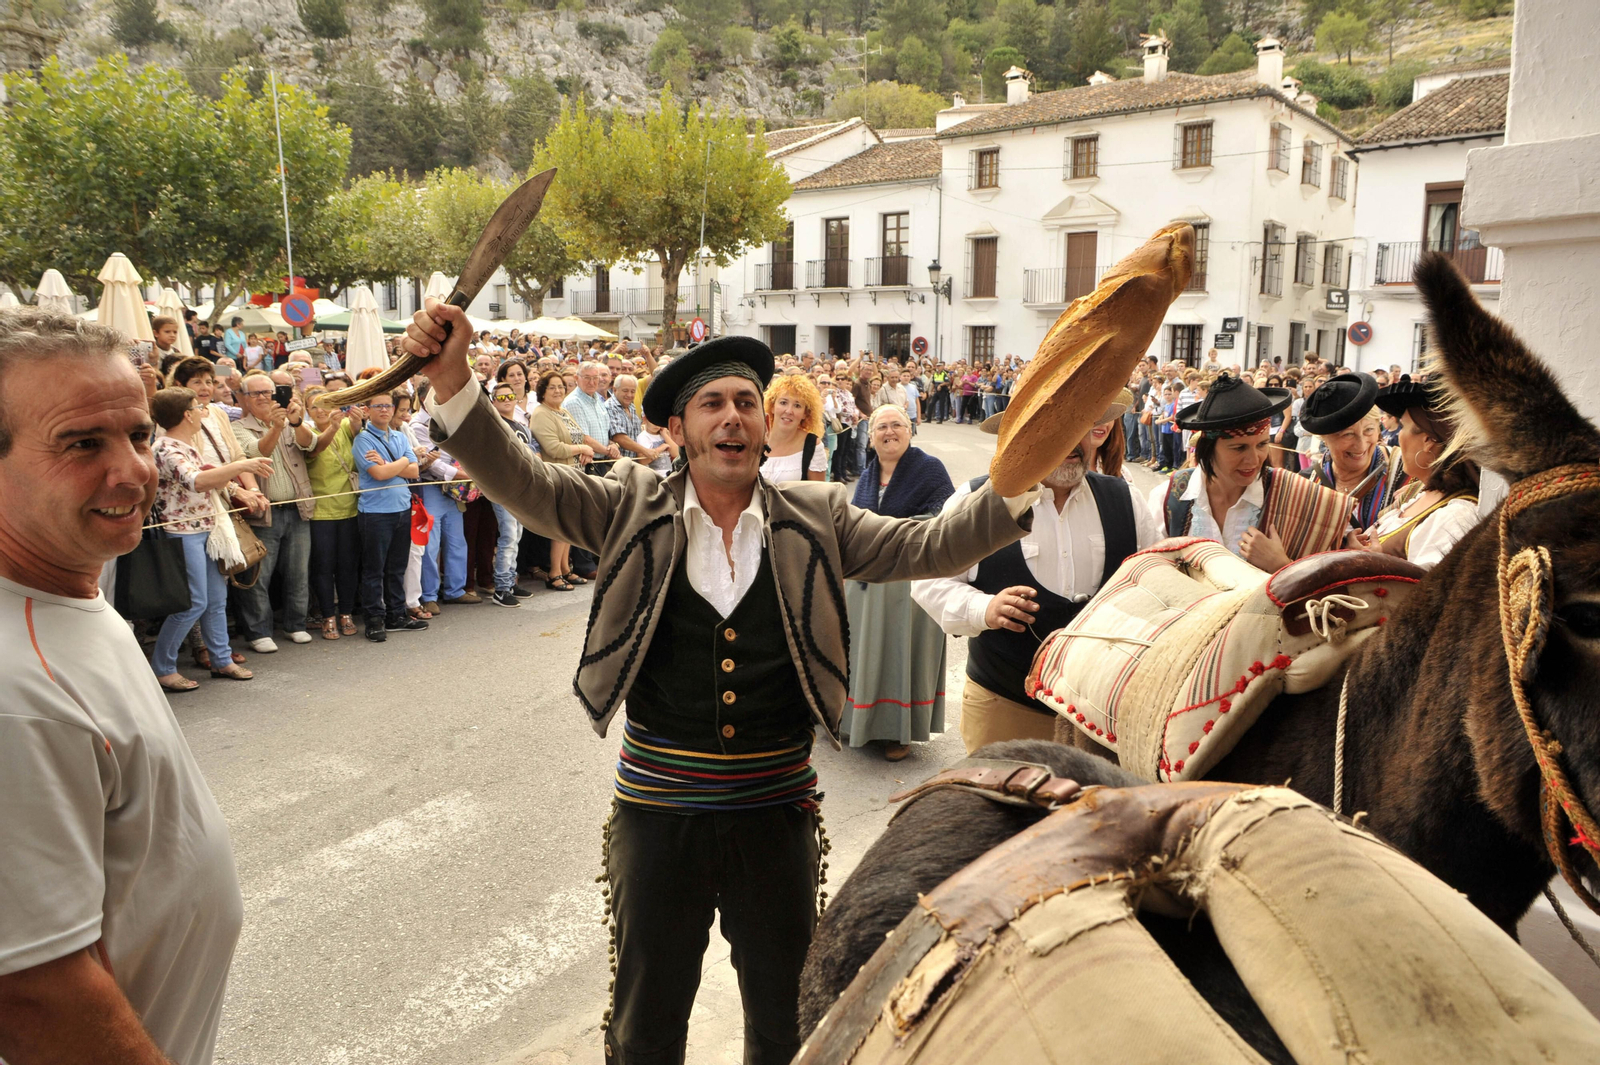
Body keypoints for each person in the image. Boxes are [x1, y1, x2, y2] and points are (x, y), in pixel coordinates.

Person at [403, 306, 1036, 1064]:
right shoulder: (628, 503)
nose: (733, 417)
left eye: (747, 403)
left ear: (766, 430)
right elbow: (525, 480)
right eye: (713, 403)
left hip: (778, 814)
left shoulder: (819, 514)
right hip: (659, 812)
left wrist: (1027, 473)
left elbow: (933, 541)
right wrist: (452, 381)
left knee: (787, 1019)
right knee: (646, 1023)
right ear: (678, 431)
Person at [0, 309, 242, 1065]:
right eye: (82, 443)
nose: (134, 470)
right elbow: (34, 992)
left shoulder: (71, 584)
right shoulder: (13, 691)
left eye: (138, 434)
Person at [914, 392, 1161, 752]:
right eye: (1053, 431)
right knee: (1006, 809)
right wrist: (984, 609)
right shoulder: (978, 499)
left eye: (1079, 427)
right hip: (1004, 706)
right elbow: (928, 579)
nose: (1071, 442)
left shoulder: (1126, 499)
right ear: (1026, 440)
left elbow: (1154, 582)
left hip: (1101, 712)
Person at [841, 405, 954, 760]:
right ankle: (858, 721)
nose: (889, 432)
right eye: (881, 428)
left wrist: (892, 535)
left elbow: (945, 518)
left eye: (897, 425)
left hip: (910, 581)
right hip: (868, 583)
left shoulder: (929, 469)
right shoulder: (868, 474)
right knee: (864, 653)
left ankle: (899, 732)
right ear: (871, 438)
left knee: (899, 654)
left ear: (910, 430)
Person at [1151, 374, 1348, 572]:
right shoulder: (1169, 499)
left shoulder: (1299, 496)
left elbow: (1328, 589)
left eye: (1262, 444)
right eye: (1239, 448)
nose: (1254, 460)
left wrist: (1281, 565)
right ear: (1208, 448)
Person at [149, 385, 267, 689]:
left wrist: (237, 481)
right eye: (199, 408)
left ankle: (221, 659)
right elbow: (196, 481)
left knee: (216, 599)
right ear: (188, 415)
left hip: (206, 529)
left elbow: (208, 480)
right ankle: (162, 667)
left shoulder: (185, 445)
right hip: (181, 532)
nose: (205, 411)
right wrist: (239, 466)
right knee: (193, 602)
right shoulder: (166, 447)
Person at [1354, 376, 1481, 568]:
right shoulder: (1422, 495)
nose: (1398, 435)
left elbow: (1430, 590)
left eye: (1403, 426)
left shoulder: (1456, 515)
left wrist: (1380, 564)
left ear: (1428, 440)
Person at [232, 369, 318, 650]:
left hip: (297, 508)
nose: (263, 397)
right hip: (263, 513)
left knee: (298, 572)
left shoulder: (290, 421)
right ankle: (259, 632)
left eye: (268, 392)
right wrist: (277, 428)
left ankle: (296, 624)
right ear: (242, 398)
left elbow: (311, 445)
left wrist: (296, 422)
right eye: (255, 393)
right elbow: (256, 452)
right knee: (259, 576)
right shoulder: (238, 426)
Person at [351, 390, 426, 641]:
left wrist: (390, 464)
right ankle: (374, 619)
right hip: (375, 513)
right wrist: (402, 462)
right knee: (374, 569)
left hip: (402, 509)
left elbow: (415, 470)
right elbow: (378, 474)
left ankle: (396, 614)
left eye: (387, 405)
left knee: (396, 567)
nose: (384, 409)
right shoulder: (362, 440)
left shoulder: (399, 435)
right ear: (368, 410)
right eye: (378, 406)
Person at [1297, 373, 1406, 531]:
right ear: (1325, 439)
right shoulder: (1308, 484)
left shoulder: (1404, 472)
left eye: (1369, 430)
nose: (1361, 444)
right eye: (1348, 434)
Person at [303, 385, 364, 639]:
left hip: (349, 507)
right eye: (315, 405)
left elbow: (358, 440)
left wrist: (358, 421)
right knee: (323, 566)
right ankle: (328, 615)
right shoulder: (305, 431)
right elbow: (314, 449)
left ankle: (346, 613)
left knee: (348, 565)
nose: (321, 410)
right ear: (307, 410)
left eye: (326, 404)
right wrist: (333, 427)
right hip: (320, 512)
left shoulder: (344, 428)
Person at [528, 369, 595, 591]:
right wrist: (581, 448)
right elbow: (553, 448)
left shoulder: (564, 411)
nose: (557, 390)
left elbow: (579, 436)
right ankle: (554, 573)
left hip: (575, 473)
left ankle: (566, 568)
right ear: (542, 391)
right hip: (557, 475)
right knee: (562, 526)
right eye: (552, 387)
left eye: (560, 386)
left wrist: (585, 451)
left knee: (571, 524)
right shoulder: (541, 413)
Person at [487, 382, 536, 606]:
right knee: (508, 536)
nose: (507, 401)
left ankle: (511, 580)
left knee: (516, 536)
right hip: (503, 488)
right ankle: (501, 587)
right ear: (494, 402)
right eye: (501, 398)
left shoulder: (521, 425)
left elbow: (533, 452)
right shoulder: (493, 425)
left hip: (521, 487)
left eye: (510, 397)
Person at [760, 373, 827, 483]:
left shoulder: (812, 445)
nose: (789, 411)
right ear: (772, 407)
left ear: (805, 413)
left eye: (797, 405)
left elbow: (818, 496)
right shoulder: (756, 438)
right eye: (783, 403)